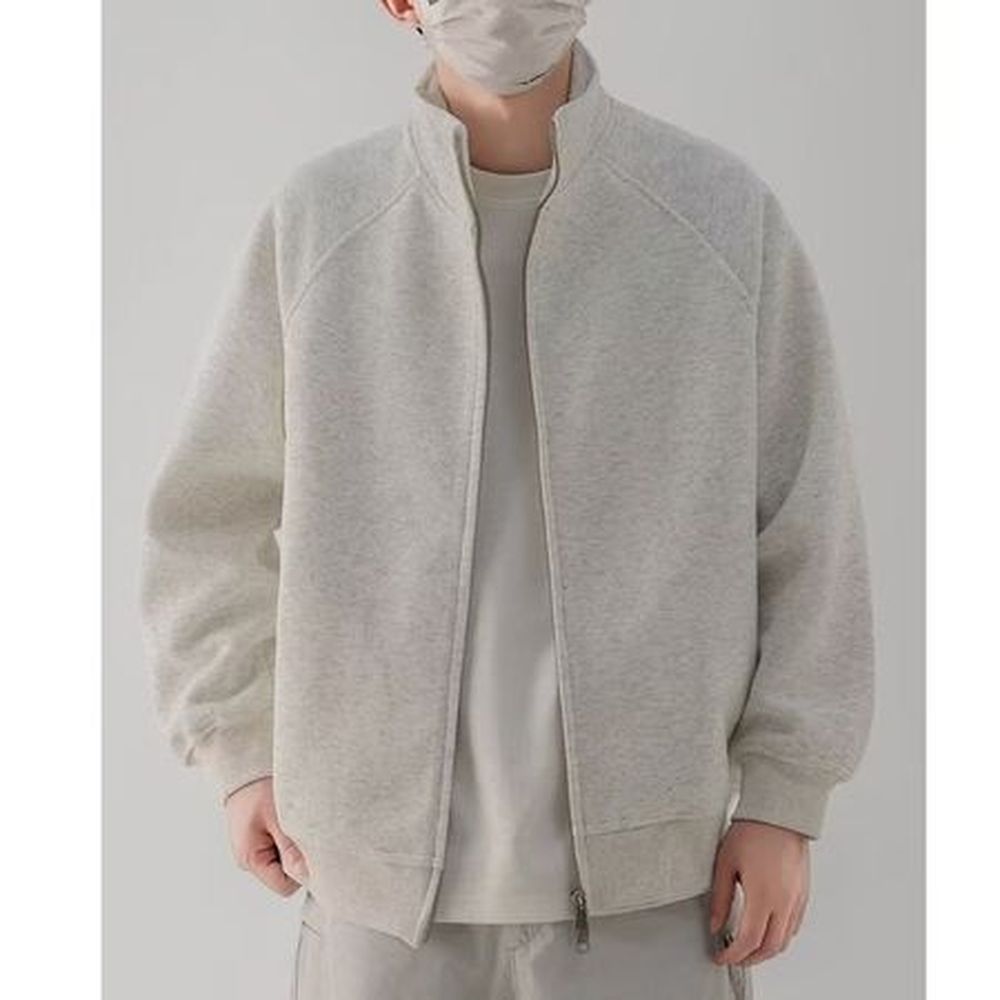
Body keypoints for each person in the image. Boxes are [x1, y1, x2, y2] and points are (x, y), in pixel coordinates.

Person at [138, 2, 875, 998]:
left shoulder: (717, 216)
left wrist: (784, 796)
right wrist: (238, 748)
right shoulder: (319, 222)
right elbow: (206, 518)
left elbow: (808, 521)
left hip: (657, 894)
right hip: (374, 902)